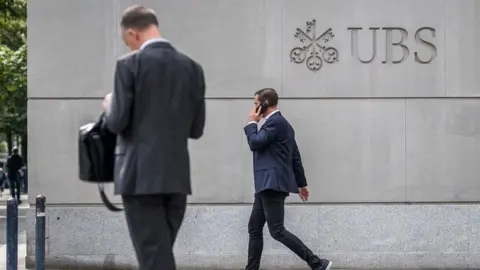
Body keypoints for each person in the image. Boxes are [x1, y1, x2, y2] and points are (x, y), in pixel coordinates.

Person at [102, 5, 206, 270]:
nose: (129, 48)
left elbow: (117, 122)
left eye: (128, 42)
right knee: (159, 256)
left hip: (139, 178)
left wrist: (109, 105)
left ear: (134, 34)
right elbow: (196, 130)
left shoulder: (129, 65)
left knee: (154, 259)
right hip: (177, 179)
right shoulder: (193, 69)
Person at [243, 88, 332, 270]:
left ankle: (317, 263)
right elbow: (295, 156)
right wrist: (301, 184)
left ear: (264, 104)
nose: (253, 108)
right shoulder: (282, 124)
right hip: (266, 184)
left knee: (277, 231)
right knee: (254, 227)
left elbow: (255, 142)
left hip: (272, 184)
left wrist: (252, 123)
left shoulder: (276, 123)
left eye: (255, 104)